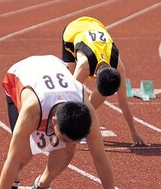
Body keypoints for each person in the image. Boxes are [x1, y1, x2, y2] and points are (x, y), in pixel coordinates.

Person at [0, 55, 134, 189]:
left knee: (68, 149)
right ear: (53, 121)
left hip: (55, 68)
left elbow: (100, 158)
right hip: (20, 76)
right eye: (64, 137)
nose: (66, 143)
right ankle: (13, 183)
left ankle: (42, 186)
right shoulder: (32, 110)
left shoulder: (86, 109)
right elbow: (11, 158)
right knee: (24, 153)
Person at [62, 16, 148, 146]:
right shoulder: (84, 66)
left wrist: (134, 132)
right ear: (95, 77)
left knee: (99, 94)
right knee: (73, 91)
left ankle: (84, 121)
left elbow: (123, 103)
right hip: (72, 32)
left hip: (96, 25)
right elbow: (66, 95)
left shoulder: (118, 68)